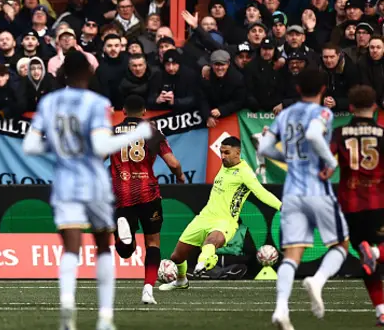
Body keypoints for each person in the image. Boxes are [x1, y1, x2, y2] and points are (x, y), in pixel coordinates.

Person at [22, 50, 154, 330]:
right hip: (94, 182)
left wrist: (59, 147)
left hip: (65, 183)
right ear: (89, 74)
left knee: (70, 250)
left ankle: (68, 306)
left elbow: (30, 147)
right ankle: (105, 318)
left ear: (63, 74)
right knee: (103, 248)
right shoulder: (97, 103)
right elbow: (100, 147)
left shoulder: (48, 102)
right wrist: (137, 134)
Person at [258, 68, 350, 330]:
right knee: (341, 246)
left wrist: (287, 158)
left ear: (297, 90)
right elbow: (312, 134)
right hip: (317, 189)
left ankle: (281, 308)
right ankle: (318, 280)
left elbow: (264, 148)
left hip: (292, 192)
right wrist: (331, 161)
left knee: (291, 256)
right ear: (323, 89)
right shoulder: (323, 112)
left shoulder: (285, 114)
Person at [159, 136, 281, 291]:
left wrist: (281, 206)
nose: (223, 156)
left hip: (225, 221)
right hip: (204, 217)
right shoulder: (225, 165)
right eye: (221, 152)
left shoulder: (245, 173)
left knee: (211, 241)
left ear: (238, 153)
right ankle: (181, 281)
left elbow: (261, 193)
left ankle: (204, 262)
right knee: (177, 256)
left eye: (227, 152)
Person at [110, 95, 184, 305]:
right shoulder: (152, 133)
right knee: (153, 243)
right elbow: (173, 162)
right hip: (148, 194)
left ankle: (126, 238)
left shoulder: (112, 133)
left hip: (121, 193)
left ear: (123, 111)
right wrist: (179, 175)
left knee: (126, 251)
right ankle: (148, 289)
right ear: (144, 112)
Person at [330, 85, 384, 326]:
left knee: (368, 264)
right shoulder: (383, 133)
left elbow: (325, 166)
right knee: (374, 255)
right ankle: (375, 252)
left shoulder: (339, 133)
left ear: (350, 107)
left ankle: (381, 311)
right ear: (374, 107)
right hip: (379, 202)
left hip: (349, 205)